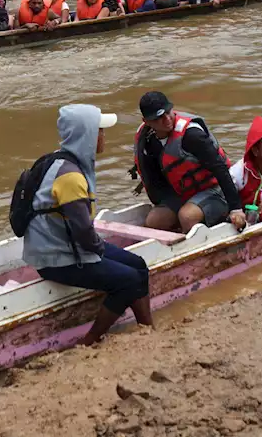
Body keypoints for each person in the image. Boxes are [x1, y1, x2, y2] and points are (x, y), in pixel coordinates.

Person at [25, 105, 152, 346]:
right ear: (88, 135)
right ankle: (91, 340)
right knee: (128, 280)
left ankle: (147, 327)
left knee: (139, 265)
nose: (104, 136)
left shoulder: (59, 160)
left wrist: (100, 249)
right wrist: (102, 251)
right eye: (100, 131)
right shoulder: (70, 177)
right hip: (58, 258)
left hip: (64, 247)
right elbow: (83, 232)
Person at [133, 92, 246, 233]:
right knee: (154, 221)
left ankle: (198, 243)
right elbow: (156, 179)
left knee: (187, 216)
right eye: (159, 118)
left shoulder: (192, 135)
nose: (167, 119)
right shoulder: (148, 141)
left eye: (168, 112)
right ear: (147, 121)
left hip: (216, 189)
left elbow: (220, 168)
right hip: (184, 192)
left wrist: (236, 208)